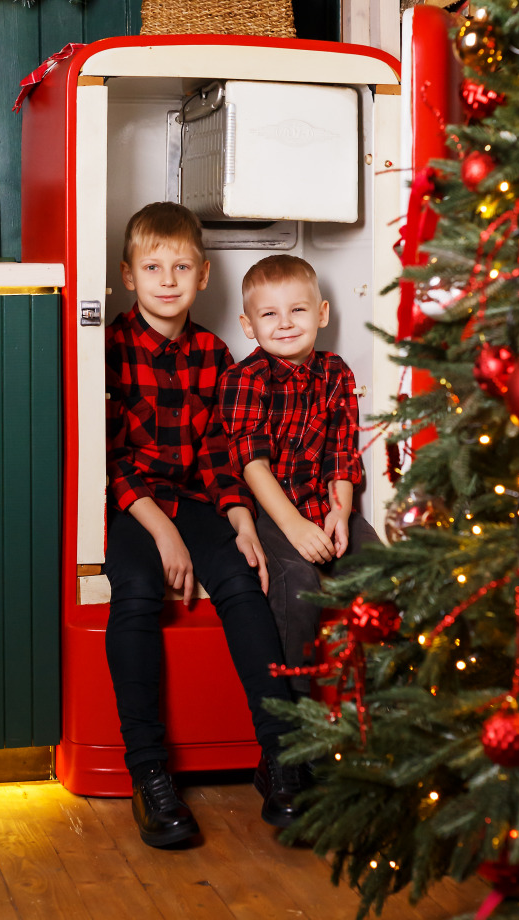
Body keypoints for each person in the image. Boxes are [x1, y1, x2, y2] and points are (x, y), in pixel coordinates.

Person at [104, 203, 305, 848]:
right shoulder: (111, 343)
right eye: (153, 267)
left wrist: (241, 520)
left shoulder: (214, 353)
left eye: (181, 266)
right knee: (134, 595)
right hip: (133, 506)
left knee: (247, 582)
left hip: (194, 500)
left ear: (204, 276)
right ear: (129, 277)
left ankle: (281, 761)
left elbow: (221, 454)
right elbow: (107, 460)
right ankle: (149, 773)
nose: (168, 279)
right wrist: (162, 532)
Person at [218, 255, 380, 697]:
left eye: (298, 310)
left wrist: (341, 513)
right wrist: (295, 527)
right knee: (299, 582)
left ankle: (383, 708)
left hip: (324, 505)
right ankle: (293, 722)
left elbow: (341, 454)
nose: (285, 323)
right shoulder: (243, 378)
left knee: (383, 570)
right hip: (271, 512)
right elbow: (253, 465)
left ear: (322, 313)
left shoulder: (336, 373)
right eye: (269, 313)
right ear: (248, 325)